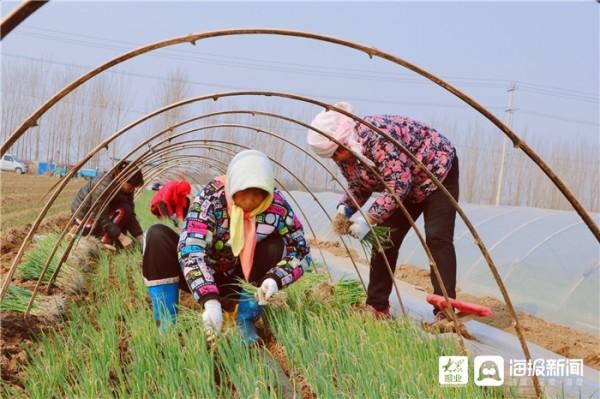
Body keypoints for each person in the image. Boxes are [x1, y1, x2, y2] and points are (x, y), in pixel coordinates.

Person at [307, 102, 459, 320]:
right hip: (405, 185)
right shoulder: (346, 154)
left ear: (342, 144)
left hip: (436, 171)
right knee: (384, 239)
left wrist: (368, 219)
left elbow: (399, 184)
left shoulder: (376, 138)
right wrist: (346, 208)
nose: (335, 160)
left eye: (335, 155)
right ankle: (377, 307)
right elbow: (360, 185)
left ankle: (445, 310)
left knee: (437, 237)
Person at [142, 150, 313, 342]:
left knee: (276, 245)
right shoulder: (211, 198)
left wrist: (275, 279)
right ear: (233, 187)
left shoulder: (276, 206)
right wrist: (210, 301)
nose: (249, 203)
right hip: (201, 273)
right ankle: (167, 326)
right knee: (157, 236)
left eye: (257, 195)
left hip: (240, 280)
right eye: (243, 194)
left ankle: (244, 321)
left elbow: (301, 251)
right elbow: (191, 250)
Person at [70, 161, 144, 250]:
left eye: (134, 187)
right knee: (122, 211)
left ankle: (110, 239)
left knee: (126, 209)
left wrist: (139, 236)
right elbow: (99, 216)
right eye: (131, 186)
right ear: (119, 177)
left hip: (103, 213)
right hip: (86, 216)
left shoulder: (127, 189)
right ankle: (100, 239)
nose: (132, 190)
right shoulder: (103, 186)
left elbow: (130, 213)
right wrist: (121, 237)